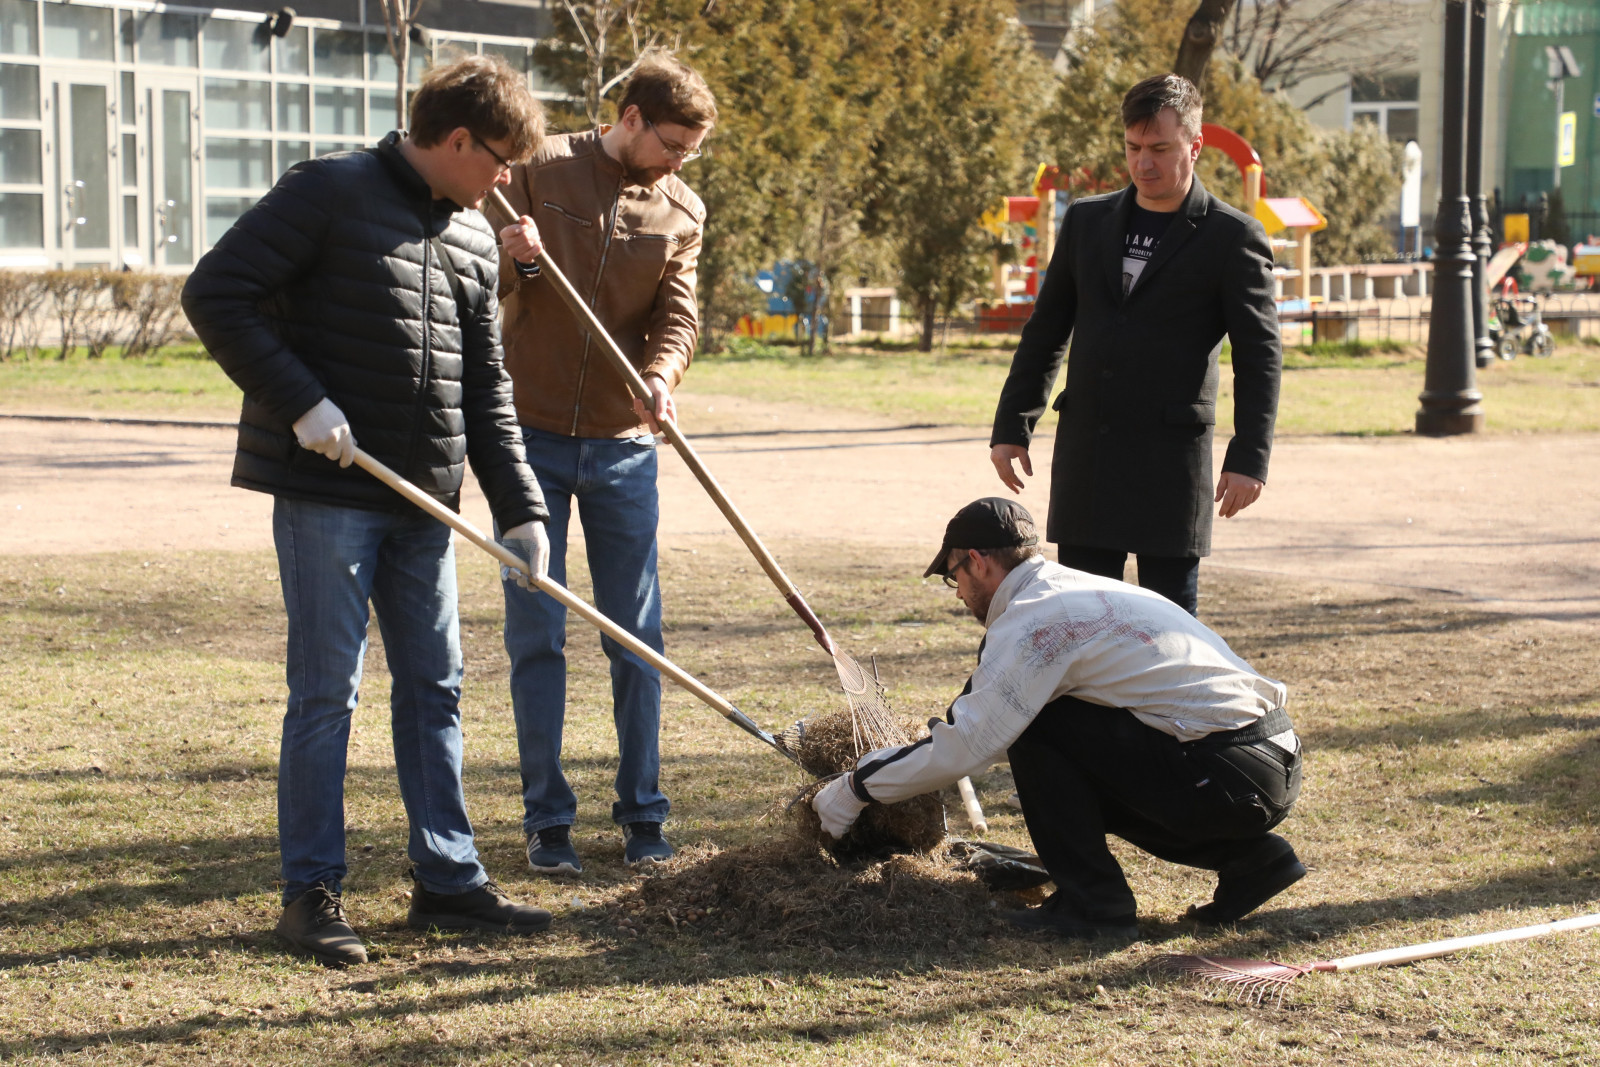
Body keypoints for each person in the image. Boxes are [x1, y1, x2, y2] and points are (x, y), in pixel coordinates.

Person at [182, 56, 557, 966]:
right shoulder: (328, 191)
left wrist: (521, 508)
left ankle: (448, 876)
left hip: (426, 502)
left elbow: (487, 392)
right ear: (458, 139)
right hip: (328, 497)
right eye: (500, 159)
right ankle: (310, 892)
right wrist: (302, 403)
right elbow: (215, 295)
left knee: (436, 686)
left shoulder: (472, 238)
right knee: (327, 695)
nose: (505, 182)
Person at [812, 498, 1305, 939]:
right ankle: (1253, 863)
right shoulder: (1071, 589)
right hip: (1264, 762)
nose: (958, 594)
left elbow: (972, 743)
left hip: (1221, 772)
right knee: (1068, 748)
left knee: (1040, 729)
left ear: (977, 562)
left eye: (953, 577)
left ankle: (1094, 906)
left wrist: (857, 786)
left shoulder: (1035, 621)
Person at [492, 55, 716, 875]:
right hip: (530, 437)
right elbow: (490, 285)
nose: (679, 163)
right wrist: (517, 256)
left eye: (691, 151)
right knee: (536, 635)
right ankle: (547, 821)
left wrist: (660, 378)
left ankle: (642, 814)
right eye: (672, 144)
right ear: (629, 116)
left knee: (637, 639)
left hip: (625, 444)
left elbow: (679, 316)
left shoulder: (681, 210)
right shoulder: (536, 170)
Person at [989, 74, 1281, 617]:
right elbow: (1047, 330)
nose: (1144, 163)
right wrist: (1013, 425)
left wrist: (1250, 457)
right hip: (1089, 462)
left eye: (1160, 149)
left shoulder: (1232, 237)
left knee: (1167, 641)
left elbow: (1260, 355)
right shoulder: (1086, 221)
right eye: (1134, 148)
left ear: (1194, 147)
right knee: (1079, 628)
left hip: (1169, 471)